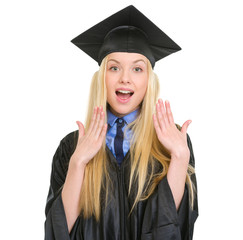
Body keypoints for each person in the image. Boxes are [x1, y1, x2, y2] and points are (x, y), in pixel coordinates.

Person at [44, 5, 198, 240]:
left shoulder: (172, 141)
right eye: (114, 67)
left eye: (137, 68)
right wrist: (78, 163)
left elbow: (174, 230)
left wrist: (178, 159)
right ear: (101, 77)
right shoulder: (71, 147)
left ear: (149, 80)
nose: (125, 78)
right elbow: (59, 232)